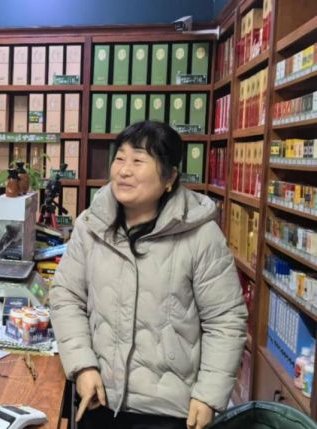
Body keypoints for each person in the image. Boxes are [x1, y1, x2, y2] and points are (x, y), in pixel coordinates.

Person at [50, 121, 248, 429]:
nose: (124, 170)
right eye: (120, 158)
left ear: (169, 177)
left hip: (170, 412)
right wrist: (83, 366)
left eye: (138, 160)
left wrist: (209, 395)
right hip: (99, 397)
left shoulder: (201, 236)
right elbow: (66, 296)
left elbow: (225, 320)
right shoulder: (91, 226)